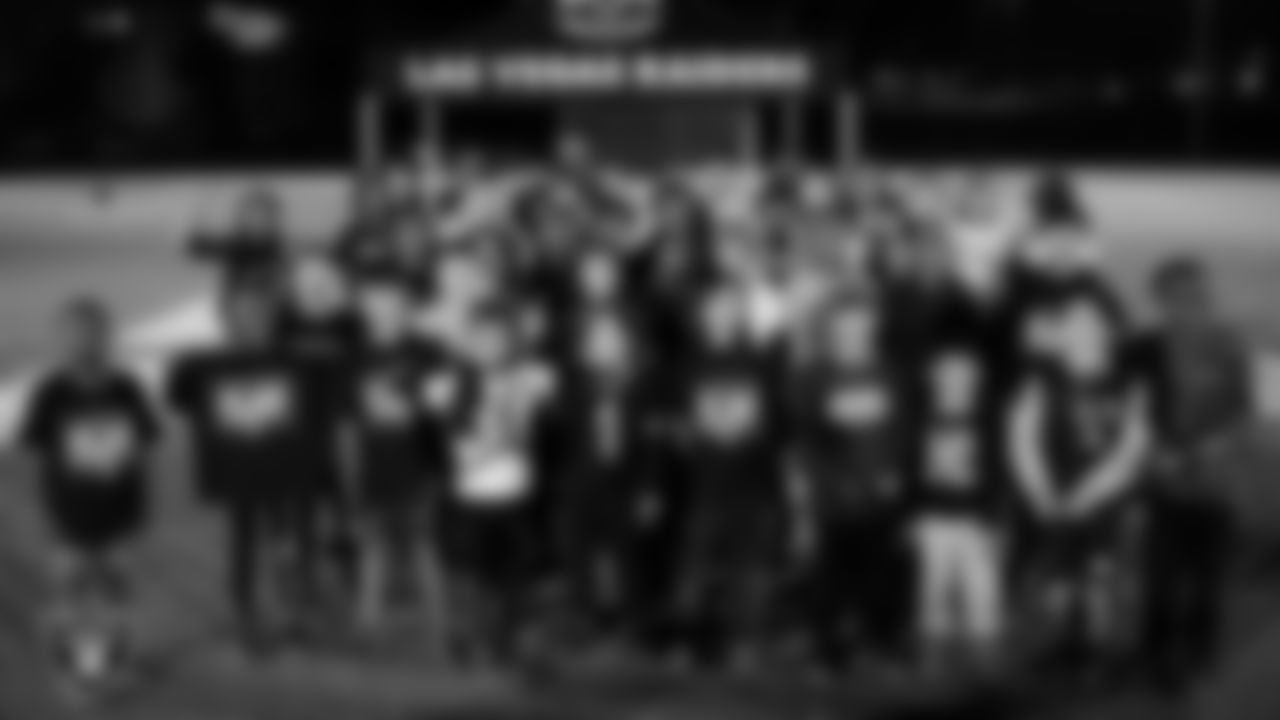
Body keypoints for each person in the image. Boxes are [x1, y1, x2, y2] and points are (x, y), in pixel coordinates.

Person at [168, 284, 336, 657]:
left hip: (289, 473)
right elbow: (180, 399)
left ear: (276, 317)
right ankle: (246, 612)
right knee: (244, 544)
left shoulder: (304, 362)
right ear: (225, 319)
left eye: (262, 313)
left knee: (290, 541)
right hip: (239, 474)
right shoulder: (203, 367)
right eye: (243, 313)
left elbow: (335, 394)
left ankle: (294, 611)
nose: (253, 322)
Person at [1009, 289, 1152, 683]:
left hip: (1106, 500)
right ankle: (1064, 646)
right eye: (1071, 321)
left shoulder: (1129, 382)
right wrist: (1039, 493)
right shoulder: (1041, 379)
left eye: (1092, 321)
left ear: (1110, 328)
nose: (1082, 329)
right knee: (1060, 580)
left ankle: (1099, 653)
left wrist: (1091, 492)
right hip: (1054, 499)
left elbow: (1132, 445)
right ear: (1060, 331)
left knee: (1100, 578)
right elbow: (1022, 438)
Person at [19, 298, 160, 685]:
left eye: (93, 334)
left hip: (121, 515)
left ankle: (118, 659)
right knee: (69, 597)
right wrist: (42, 515)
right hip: (68, 518)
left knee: (118, 594)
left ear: (108, 338)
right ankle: (73, 666)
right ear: (60, 341)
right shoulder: (50, 392)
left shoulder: (127, 388)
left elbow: (145, 449)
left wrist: (144, 508)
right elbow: (34, 453)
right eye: (73, 335)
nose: (84, 344)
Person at [1135, 256, 1251, 690]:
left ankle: (1199, 649)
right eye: (1177, 296)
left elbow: (1241, 411)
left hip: (1216, 488)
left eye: (1197, 294)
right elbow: (1124, 404)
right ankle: (1157, 654)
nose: (1190, 304)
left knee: (1205, 581)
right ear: (1161, 301)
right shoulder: (1145, 346)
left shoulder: (1228, 343)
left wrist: (1212, 446)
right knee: (1160, 579)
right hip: (1161, 483)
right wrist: (1150, 449)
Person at [670, 287, 790, 670]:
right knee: (695, 567)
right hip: (704, 481)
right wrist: (684, 434)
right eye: (713, 311)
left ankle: (746, 641)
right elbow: (672, 419)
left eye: (729, 310)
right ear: (701, 317)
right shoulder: (688, 363)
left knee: (751, 567)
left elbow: (776, 423)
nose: (721, 317)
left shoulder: (759, 363)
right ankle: (690, 642)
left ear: (739, 316)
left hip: (752, 481)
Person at [791, 292, 909, 670]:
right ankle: (827, 647)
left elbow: (903, 430)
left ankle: (881, 639)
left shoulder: (890, 371)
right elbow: (807, 439)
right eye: (845, 327)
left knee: (882, 571)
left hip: (881, 495)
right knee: (830, 575)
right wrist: (826, 482)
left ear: (873, 328)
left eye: (861, 326)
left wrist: (896, 472)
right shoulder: (814, 376)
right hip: (833, 496)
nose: (853, 334)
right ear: (832, 330)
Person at [343, 276, 455, 652]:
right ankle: (367, 618)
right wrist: (349, 472)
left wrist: (421, 402)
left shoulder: (429, 352)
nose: (384, 315)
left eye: (393, 307)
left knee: (425, 545)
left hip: (420, 466)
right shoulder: (355, 355)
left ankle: (440, 620)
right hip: (375, 466)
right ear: (364, 310)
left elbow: (445, 407)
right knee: (373, 544)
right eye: (376, 307)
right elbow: (348, 421)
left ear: (407, 310)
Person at [444, 305, 558, 666]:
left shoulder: (528, 378)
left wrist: (518, 420)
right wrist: (502, 434)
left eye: (498, 339)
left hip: (517, 494)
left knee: (520, 577)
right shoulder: (460, 386)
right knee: (477, 577)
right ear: (470, 345)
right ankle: (472, 637)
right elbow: (462, 451)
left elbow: (539, 431)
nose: (490, 347)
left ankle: (518, 641)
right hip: (475, 497)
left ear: (510, 342)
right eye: (482, 340)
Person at [906, 330, 1009, 677]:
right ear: (932, 377)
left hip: (977, 519)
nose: (955, 381)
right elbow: (911, 474)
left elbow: (998, 471)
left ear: (977, 378)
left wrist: (998, 519)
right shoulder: (920, 419)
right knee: (932, 585)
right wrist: (912, 516)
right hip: (934, 518)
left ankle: (984, 649)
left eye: (964, 374)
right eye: (947, 373)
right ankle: (932, 648)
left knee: (983, 587)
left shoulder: (989, 421)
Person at [190, 188, 288, 295]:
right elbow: (198, 247)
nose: (257, 221)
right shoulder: (236, 244)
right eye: (253, 216)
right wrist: (204, 206)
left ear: (271, 219)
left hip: (263, 303)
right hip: (237, 302)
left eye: (262, 216)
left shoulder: (277, 249)